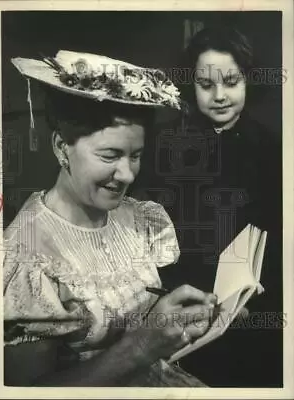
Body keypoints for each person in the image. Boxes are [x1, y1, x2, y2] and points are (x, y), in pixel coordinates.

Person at [3, 50, 218, 387]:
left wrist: (186, 317)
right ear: (62, 147)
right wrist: (141, 346)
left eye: (136, 156)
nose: (128, 174)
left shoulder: (137, 216)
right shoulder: (27, 255)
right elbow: (28, 394)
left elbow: (147, 318)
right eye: (109, 155)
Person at [156, 26, 282, 386]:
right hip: (184, 299)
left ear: (248, 81)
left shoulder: (273, 148)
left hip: (254, 306)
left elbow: (279, 233)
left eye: (230, 81)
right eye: (205, 84)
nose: (220, 96)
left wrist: (257, 294)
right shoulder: (165, 145)